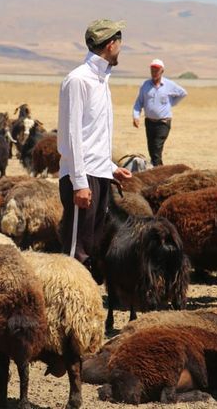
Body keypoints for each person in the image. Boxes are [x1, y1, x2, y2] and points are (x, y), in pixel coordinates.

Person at [58, 19, 133, 275]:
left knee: (91, 246)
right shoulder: (79, 80)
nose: (121, 49)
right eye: (120, 44)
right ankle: (66, 308)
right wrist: (79, 182)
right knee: (76, 252)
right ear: (111, 44)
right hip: (83, 176)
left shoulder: (101, 80)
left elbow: (94, 135)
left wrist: (110, 167)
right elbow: (72, 135)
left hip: (98, 173)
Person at [132, 59, 187, 166]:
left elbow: (183, 93)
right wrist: (136, 116)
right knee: (152, 149)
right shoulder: (145, 85)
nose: (154, 72)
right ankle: (158, 170)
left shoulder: (169, 84)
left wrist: (172, 103)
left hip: (163, 123)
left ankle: (157, 171)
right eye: (152, 70)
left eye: (157, 70)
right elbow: (139, 102)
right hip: (149, 122)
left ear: (162, 71)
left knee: (157, 147)